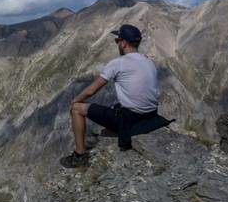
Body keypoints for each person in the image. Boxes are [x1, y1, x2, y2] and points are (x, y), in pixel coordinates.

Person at [61, 23, 159, 168]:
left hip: (131, 119)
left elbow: (91, 91)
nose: (117, 44)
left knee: (76, 108)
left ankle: (80, 155)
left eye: (117, 41)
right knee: (117, 105)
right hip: (151, 116)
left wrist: (75, 100)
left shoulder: (118, 63)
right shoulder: (148, 61)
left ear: (124, 43)